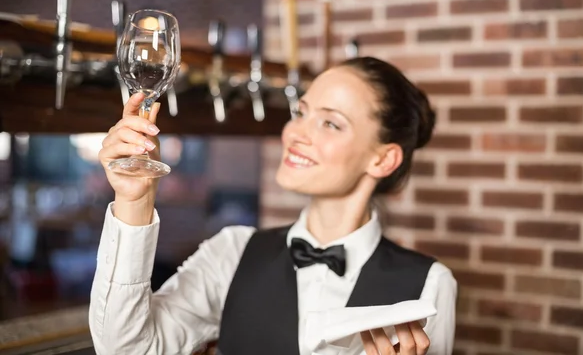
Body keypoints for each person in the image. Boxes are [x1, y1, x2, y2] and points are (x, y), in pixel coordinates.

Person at [90, 56, 457, 355]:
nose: (295, 133)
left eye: (330, 123)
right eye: (301, 112)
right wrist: (134, 200)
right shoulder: (232, 252)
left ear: (382, 160)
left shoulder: (429, 285)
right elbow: (125, 348)